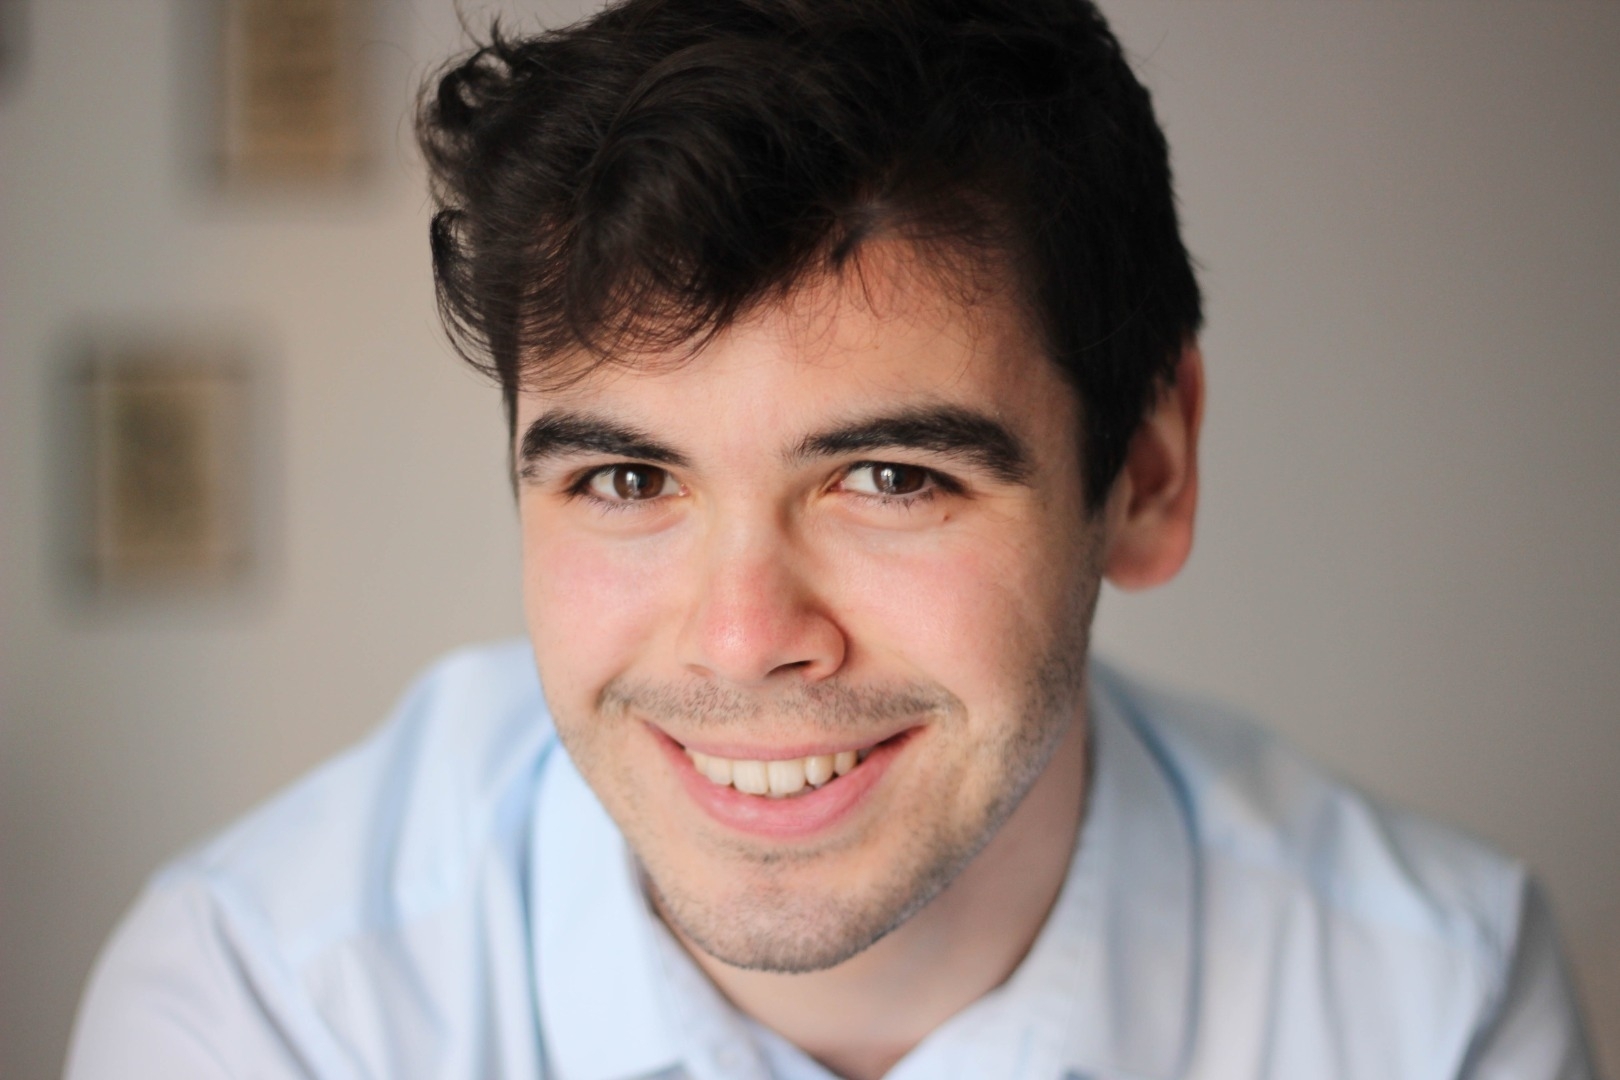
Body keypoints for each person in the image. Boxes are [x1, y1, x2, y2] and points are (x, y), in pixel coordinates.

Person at [67, 0, 1597, 1077]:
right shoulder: (266, 1009)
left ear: (1145, 470)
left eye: (887, 477)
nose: (743, 639)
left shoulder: (1429, 1008)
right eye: (627, 480)